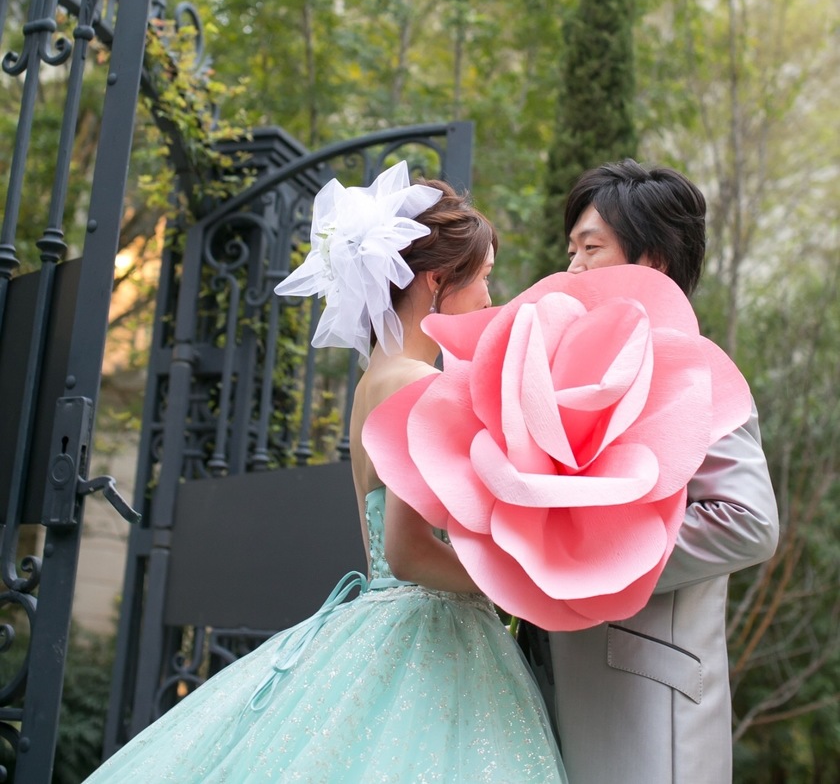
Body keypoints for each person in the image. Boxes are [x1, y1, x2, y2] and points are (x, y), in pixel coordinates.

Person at [85, 162, 568, 784]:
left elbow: (384, 554)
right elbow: (410, 553)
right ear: (436, 280)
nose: (489, 299)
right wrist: (522, 578)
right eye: (484, 280)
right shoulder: (424, 385)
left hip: (380, 618)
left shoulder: (373, 383)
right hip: (434, 635)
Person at [523, 158, 779, 784]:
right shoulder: (570, 371)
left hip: (648, 697)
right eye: (571, 251)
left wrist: (598, 563)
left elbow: (748, 523)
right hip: (550, 682)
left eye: (591, 249)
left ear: (653, 262)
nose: (573, 268)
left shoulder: (695, 372)